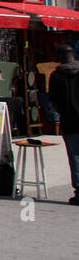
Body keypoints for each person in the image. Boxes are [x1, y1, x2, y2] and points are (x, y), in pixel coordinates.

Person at [46, 42, 79, 206]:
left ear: (60, 57)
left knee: (75, 157)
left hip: (69, 122)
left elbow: (53, 102)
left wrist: (62, 112)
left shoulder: (56, 76)